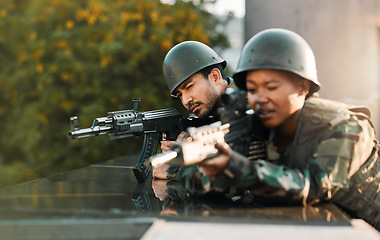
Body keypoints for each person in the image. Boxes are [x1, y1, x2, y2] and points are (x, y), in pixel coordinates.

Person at [180, 28, 380, 230]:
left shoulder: (345, 127)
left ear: (303, 87)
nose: (260, 98)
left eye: (272, 87)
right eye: (252, 89)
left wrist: (238, 168)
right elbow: (199, 187)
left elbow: (312, 188)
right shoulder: (259, 126)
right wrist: (209, 167)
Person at [153, 41, 233, 179]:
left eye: (189, 86)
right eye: (179, 95)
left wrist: (175, 169)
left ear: (215, 77)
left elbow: (238, 170)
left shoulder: (247, 109)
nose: (185, 101)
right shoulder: (207, 114)